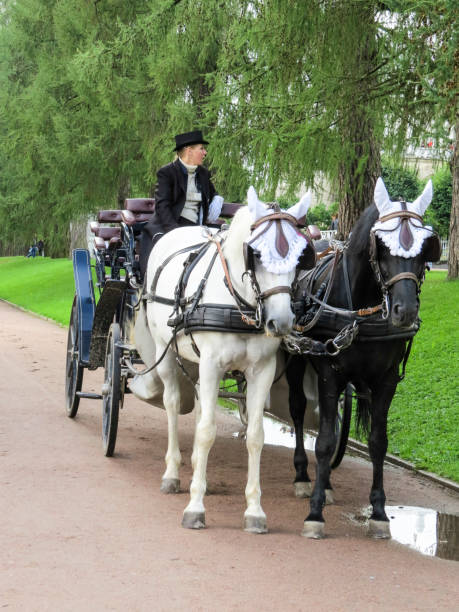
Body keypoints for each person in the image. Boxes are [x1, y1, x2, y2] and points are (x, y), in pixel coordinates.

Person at [139, 130, 223, 277]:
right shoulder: (167, 173)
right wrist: (175, 232)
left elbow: (212, 192)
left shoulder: (203, 174)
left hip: (196, 228)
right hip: (170, 225)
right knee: (161, 248)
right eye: (201, 148)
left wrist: (217, 199)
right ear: (189, 150)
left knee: (222, 242)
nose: (205, 152)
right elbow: (162, 206)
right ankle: (148, 281)